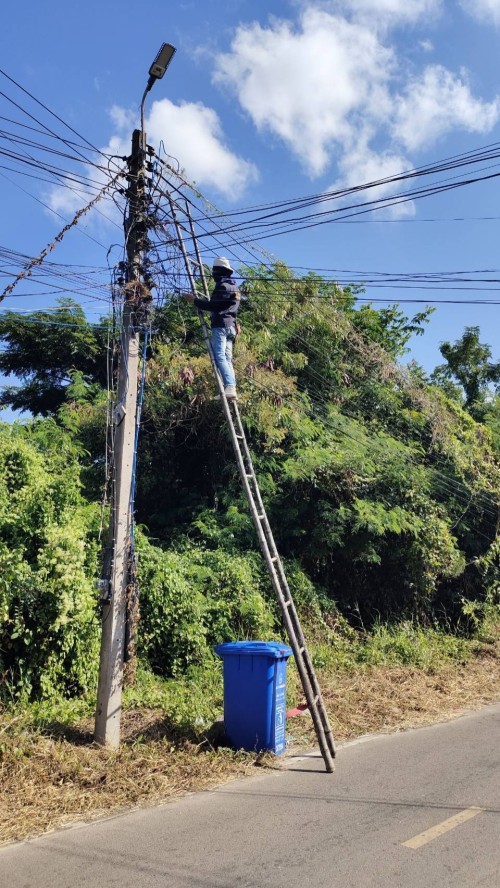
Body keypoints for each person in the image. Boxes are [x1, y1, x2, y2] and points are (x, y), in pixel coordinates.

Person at [183, 256, 241, 400]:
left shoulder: (223, 286)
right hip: (231, 327)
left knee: (220, 356)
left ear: (218, 272)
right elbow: (230, 307)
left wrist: (194, 300)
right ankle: (231, 387)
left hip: (221, 325)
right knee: (227, 358)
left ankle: (229, 386)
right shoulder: (235, 288)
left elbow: (213, 306)